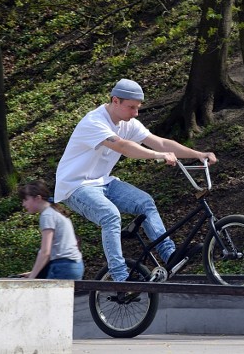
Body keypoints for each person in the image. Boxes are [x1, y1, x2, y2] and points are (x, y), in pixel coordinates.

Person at [54, 78, 217, 282]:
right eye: (131, 107)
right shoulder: (94, 122)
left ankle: (169, 254)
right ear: (115, 101)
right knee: (110, 216)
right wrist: (157, 155)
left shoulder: (128, 123)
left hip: (103, 182)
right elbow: (123, 147)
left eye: (138, 108)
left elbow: (160, 142)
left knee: (145, 202)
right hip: (75, 186)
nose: (135, 113)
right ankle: (120, 276)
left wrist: (198, 153)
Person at [18, 180, 84, 280]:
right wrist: (35, 272)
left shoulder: (47, 215)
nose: (23, 204)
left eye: (25, 200)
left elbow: (45, 252)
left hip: (63, 267)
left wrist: (31, 278)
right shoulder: (55, 212)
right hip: (74, 265)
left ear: (37, 198)